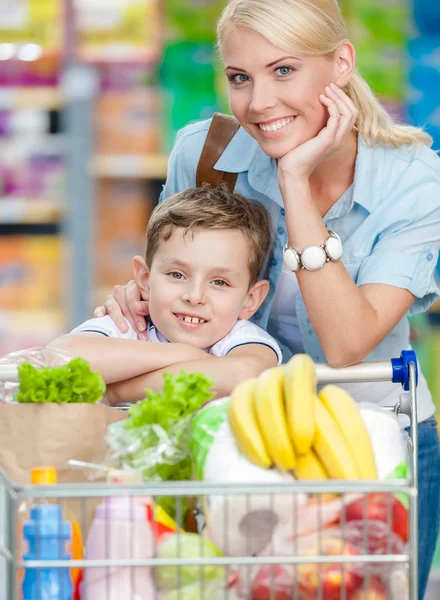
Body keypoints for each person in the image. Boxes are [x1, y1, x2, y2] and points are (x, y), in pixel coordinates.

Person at [93, 0, 440, 595]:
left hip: (371, 447)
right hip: (220, 440)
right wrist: (144, 297)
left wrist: (295, 186)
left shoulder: (414, 183)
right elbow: (174, 285)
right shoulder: (204, 157)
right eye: (239, 77)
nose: (258, 103)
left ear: (340, 65)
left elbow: (347, 343)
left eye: (284, 71)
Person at [48, 184, 282, 402]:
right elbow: (59, 357)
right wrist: (184, 354)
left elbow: (244, 373)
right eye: (177, 275)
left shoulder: (239, 338)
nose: (195, 296)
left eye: (219, 282)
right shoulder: (130, 326)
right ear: (145, 280)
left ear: (250, 300)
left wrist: (116, 391)